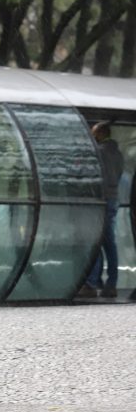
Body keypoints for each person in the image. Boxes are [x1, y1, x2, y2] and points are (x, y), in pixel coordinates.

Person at [78, 122, 124, 298]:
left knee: (96, 241)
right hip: (113, 198)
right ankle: (110, 283)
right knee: (109, 243)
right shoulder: (117, 154)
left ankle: (91, 283)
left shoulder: (100, 152)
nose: (92, 137)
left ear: (102, 134)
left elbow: (89, 173)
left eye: (94, 133)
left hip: (101, 199)